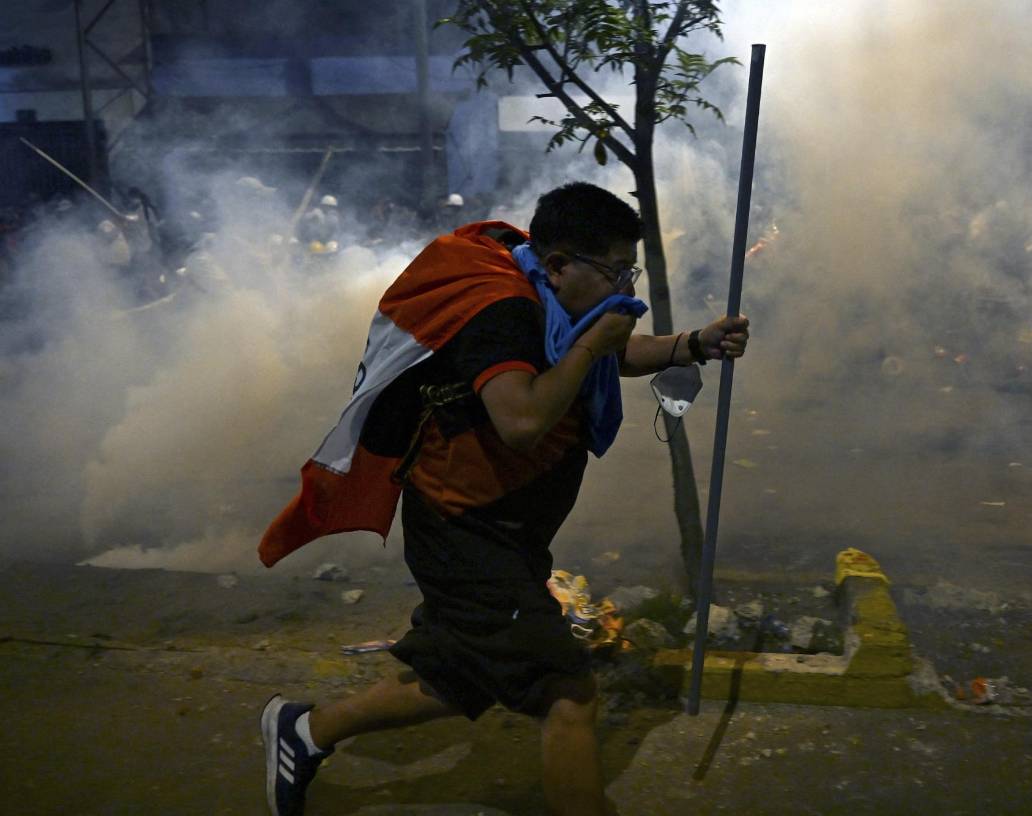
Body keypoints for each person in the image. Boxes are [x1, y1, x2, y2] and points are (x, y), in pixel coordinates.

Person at [257, 181, 750, 816]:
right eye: (614, 269)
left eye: (628, 267)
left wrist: (692, 345)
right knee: (568, 694)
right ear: (558, 265)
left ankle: (304, 731)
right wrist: (592, 346)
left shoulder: (548, 300)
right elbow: (521, 421)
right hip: (465, 529)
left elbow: (608, 352)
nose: (624, 283)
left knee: (457, 672)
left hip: (502, 528)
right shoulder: (502, 315)